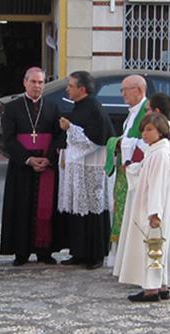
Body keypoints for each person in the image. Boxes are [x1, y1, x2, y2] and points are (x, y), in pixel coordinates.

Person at [0, 67, 62, 266]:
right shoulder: (12, 108)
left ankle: (45, 251)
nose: (37, 86)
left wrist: (49, 158)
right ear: (25, 83)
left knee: (46, 208)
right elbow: (7, 139)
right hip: (22, 167)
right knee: (21, 207)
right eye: (33, 82)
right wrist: (28, 159)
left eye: (41, 82)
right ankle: (21, 251)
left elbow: (60, 136)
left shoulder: (53, 107)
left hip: (47, 166)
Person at [113, 113, 170, 302]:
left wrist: (154, 213)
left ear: (161, 131)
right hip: (151, 205)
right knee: (156, 247)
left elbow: (156, 184)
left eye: (149, 130)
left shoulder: (160, 154)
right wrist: (133, 168)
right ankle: (162, 285)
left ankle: (151, 290)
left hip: (153, 208)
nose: (145, 134)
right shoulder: (155, 151)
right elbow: (144, 170)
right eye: (143, 130)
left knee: (153, 247)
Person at [57, 71, 114, 269]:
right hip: (78, 167)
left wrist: (70, 128)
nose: (67, 89)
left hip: (92, 168)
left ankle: (95, 255)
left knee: (93, 210)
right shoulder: (80, 106)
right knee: (78, 209)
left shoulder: (94, 107)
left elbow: (96, 137)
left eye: (71, 86)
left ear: (82, 89)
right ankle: (79, 252)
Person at [106, 74, 148, 250]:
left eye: (125, 90)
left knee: (132, 213)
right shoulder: (133, 111)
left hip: (137, 172)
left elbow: (147, 143)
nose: (122, 94)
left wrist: (121, 143)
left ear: (138, 90)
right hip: (125, 171)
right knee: (122, 210)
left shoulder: (147, 111)